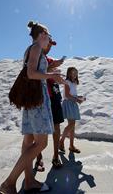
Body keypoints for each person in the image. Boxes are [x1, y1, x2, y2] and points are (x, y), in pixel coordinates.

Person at [0, 21, 66, 194]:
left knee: (28, 142)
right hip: (38, 102)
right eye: (48, 36)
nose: (49, 40)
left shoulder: (32, 49)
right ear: (42, 35)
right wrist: (52, 76)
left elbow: (34, 69)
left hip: (32, 101)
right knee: (41, 143)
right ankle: (9, 183)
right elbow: (31, 74)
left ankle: (29, 181)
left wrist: (50, 69)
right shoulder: (36, 48)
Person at [35, 38, 66, 171]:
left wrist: (60, 79)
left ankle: (55, 156)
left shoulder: (49, 59)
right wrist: (52, 67)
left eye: (51, 45)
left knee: (57, 126)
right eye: (49, 44)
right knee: (40, 129)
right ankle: (38, 157)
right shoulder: (36, 58)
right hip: (42, 97)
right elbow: (37, 73)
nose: (50, 47)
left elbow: (53, 76)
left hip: (54, 96)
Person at [59, 67, 85, 154]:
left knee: (72, 126)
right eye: (73, 73)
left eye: (76, 73)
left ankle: (71, 145)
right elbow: (67, 95)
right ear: (69, 73)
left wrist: (79, 97)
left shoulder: (74, 83)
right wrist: (77, 100)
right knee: (72, 124)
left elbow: (73, 95)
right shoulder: (67, 82)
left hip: (73, 104)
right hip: (68, 104)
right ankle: (61, 140)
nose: (74, 75)